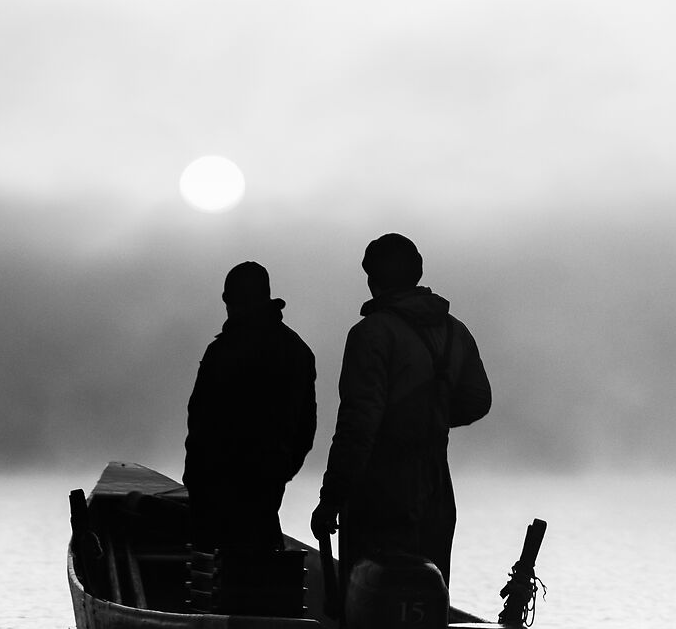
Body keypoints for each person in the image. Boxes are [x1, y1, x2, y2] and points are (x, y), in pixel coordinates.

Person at [309, 234, 492, 584]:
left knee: (370, 600)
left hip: (379, 491)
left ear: (372, 279)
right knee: (427, 594)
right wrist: (432, 417)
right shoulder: (457, 332)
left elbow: (358, 425)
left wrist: (330, 499)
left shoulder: (371, 333)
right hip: (437, 488)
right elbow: (478, 400)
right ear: (418, 272)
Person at [183, 261, 317, 555]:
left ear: (231, 300)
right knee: (260, 562)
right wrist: (282, 471)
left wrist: (195, 479)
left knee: (216, 572)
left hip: (217, 484)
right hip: (268, 481)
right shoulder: (298, 350)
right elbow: (306, 426)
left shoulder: (223, 351)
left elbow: (201, 420)